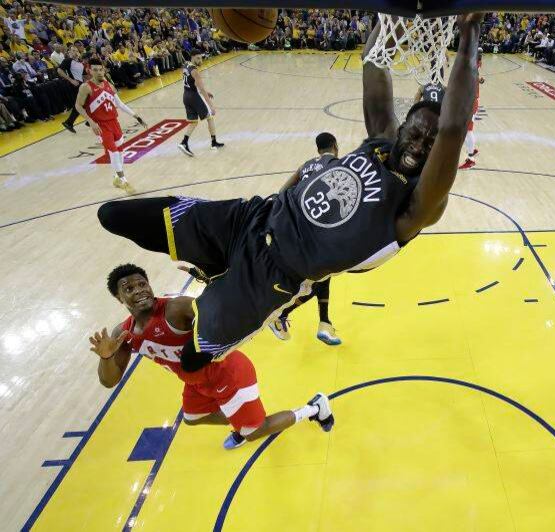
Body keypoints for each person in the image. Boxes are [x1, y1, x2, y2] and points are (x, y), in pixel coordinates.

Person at [96, 13, 483, 372]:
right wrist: (390, 18)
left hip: (272, 276)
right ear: (401, 129)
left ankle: (204, 296)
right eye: (415, 133)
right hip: (250, 219)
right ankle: (212, 267)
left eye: (430, 144)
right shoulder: (382, 139)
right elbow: (373, 60)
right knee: (113, 215)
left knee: (194, 360)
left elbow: (451, 129)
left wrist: (469, 35)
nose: (420, 145)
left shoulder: (418, 205)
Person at [90, 263, 334, 450]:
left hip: (227, 373)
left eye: (142, 284)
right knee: (193, 417)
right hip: (196, 381)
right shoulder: (122, 334)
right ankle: (242, 418)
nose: (140, 291)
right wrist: (106, 357)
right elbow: (109, 381)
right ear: (119, 298)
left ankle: (313, 408)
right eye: (129, 289)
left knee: (254, 432)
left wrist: (216, 289)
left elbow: (219, 314)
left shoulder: (177, 309)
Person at [271, 132, 343, 346]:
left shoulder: (305, 166)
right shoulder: (336, 163)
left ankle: (324, 322)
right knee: (318, 277)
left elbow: (282, 192)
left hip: (297, 231)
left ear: (318, 149)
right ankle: (285, 315)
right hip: (320, 231)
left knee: (321, 278)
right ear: (336, 146)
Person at [75, 58, 147, 192]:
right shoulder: (86, 87)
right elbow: (78, 106)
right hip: (101, 125)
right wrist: (90, 121)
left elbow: (119, 104)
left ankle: (116, 178)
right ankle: (124, 181)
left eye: (101, 69)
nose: (99, 72)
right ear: (89, 71)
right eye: (95, 70)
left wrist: (136, 116)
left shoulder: (108, 84)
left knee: (120, 151)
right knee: (113, 151)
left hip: (114, 122)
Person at [178, 48, 224, 157]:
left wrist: (206, 92)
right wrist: (211, 105)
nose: (200, 60)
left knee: (193, 122)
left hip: (186, 96)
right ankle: (213, 143)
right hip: (195, 96)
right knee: (210, 117)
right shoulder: (195, 70)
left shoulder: (185, 65)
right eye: (198, 58)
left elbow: (191, 83)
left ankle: (184, 142)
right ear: (192, 57)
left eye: (201, 58)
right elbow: (201, 89)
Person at [458, 47, 483, 170]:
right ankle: (472, 149)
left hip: (471, 102)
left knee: (468, 130)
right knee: (467, 129)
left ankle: (471, 158)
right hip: (471, 101)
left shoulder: (472, 71)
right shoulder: (475, 67)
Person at [58, 46, 86, 133]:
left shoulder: (80, 63)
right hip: (72, 85)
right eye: (73, 50)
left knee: (84, 103)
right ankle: (69, 122)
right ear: (69, 52)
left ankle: (70, 122)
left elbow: (84, 75)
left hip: (80, 85)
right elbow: (59, 70)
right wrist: (71, 80)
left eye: (76, 51)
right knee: (79, 105)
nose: (75, 52)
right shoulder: (68, 60)